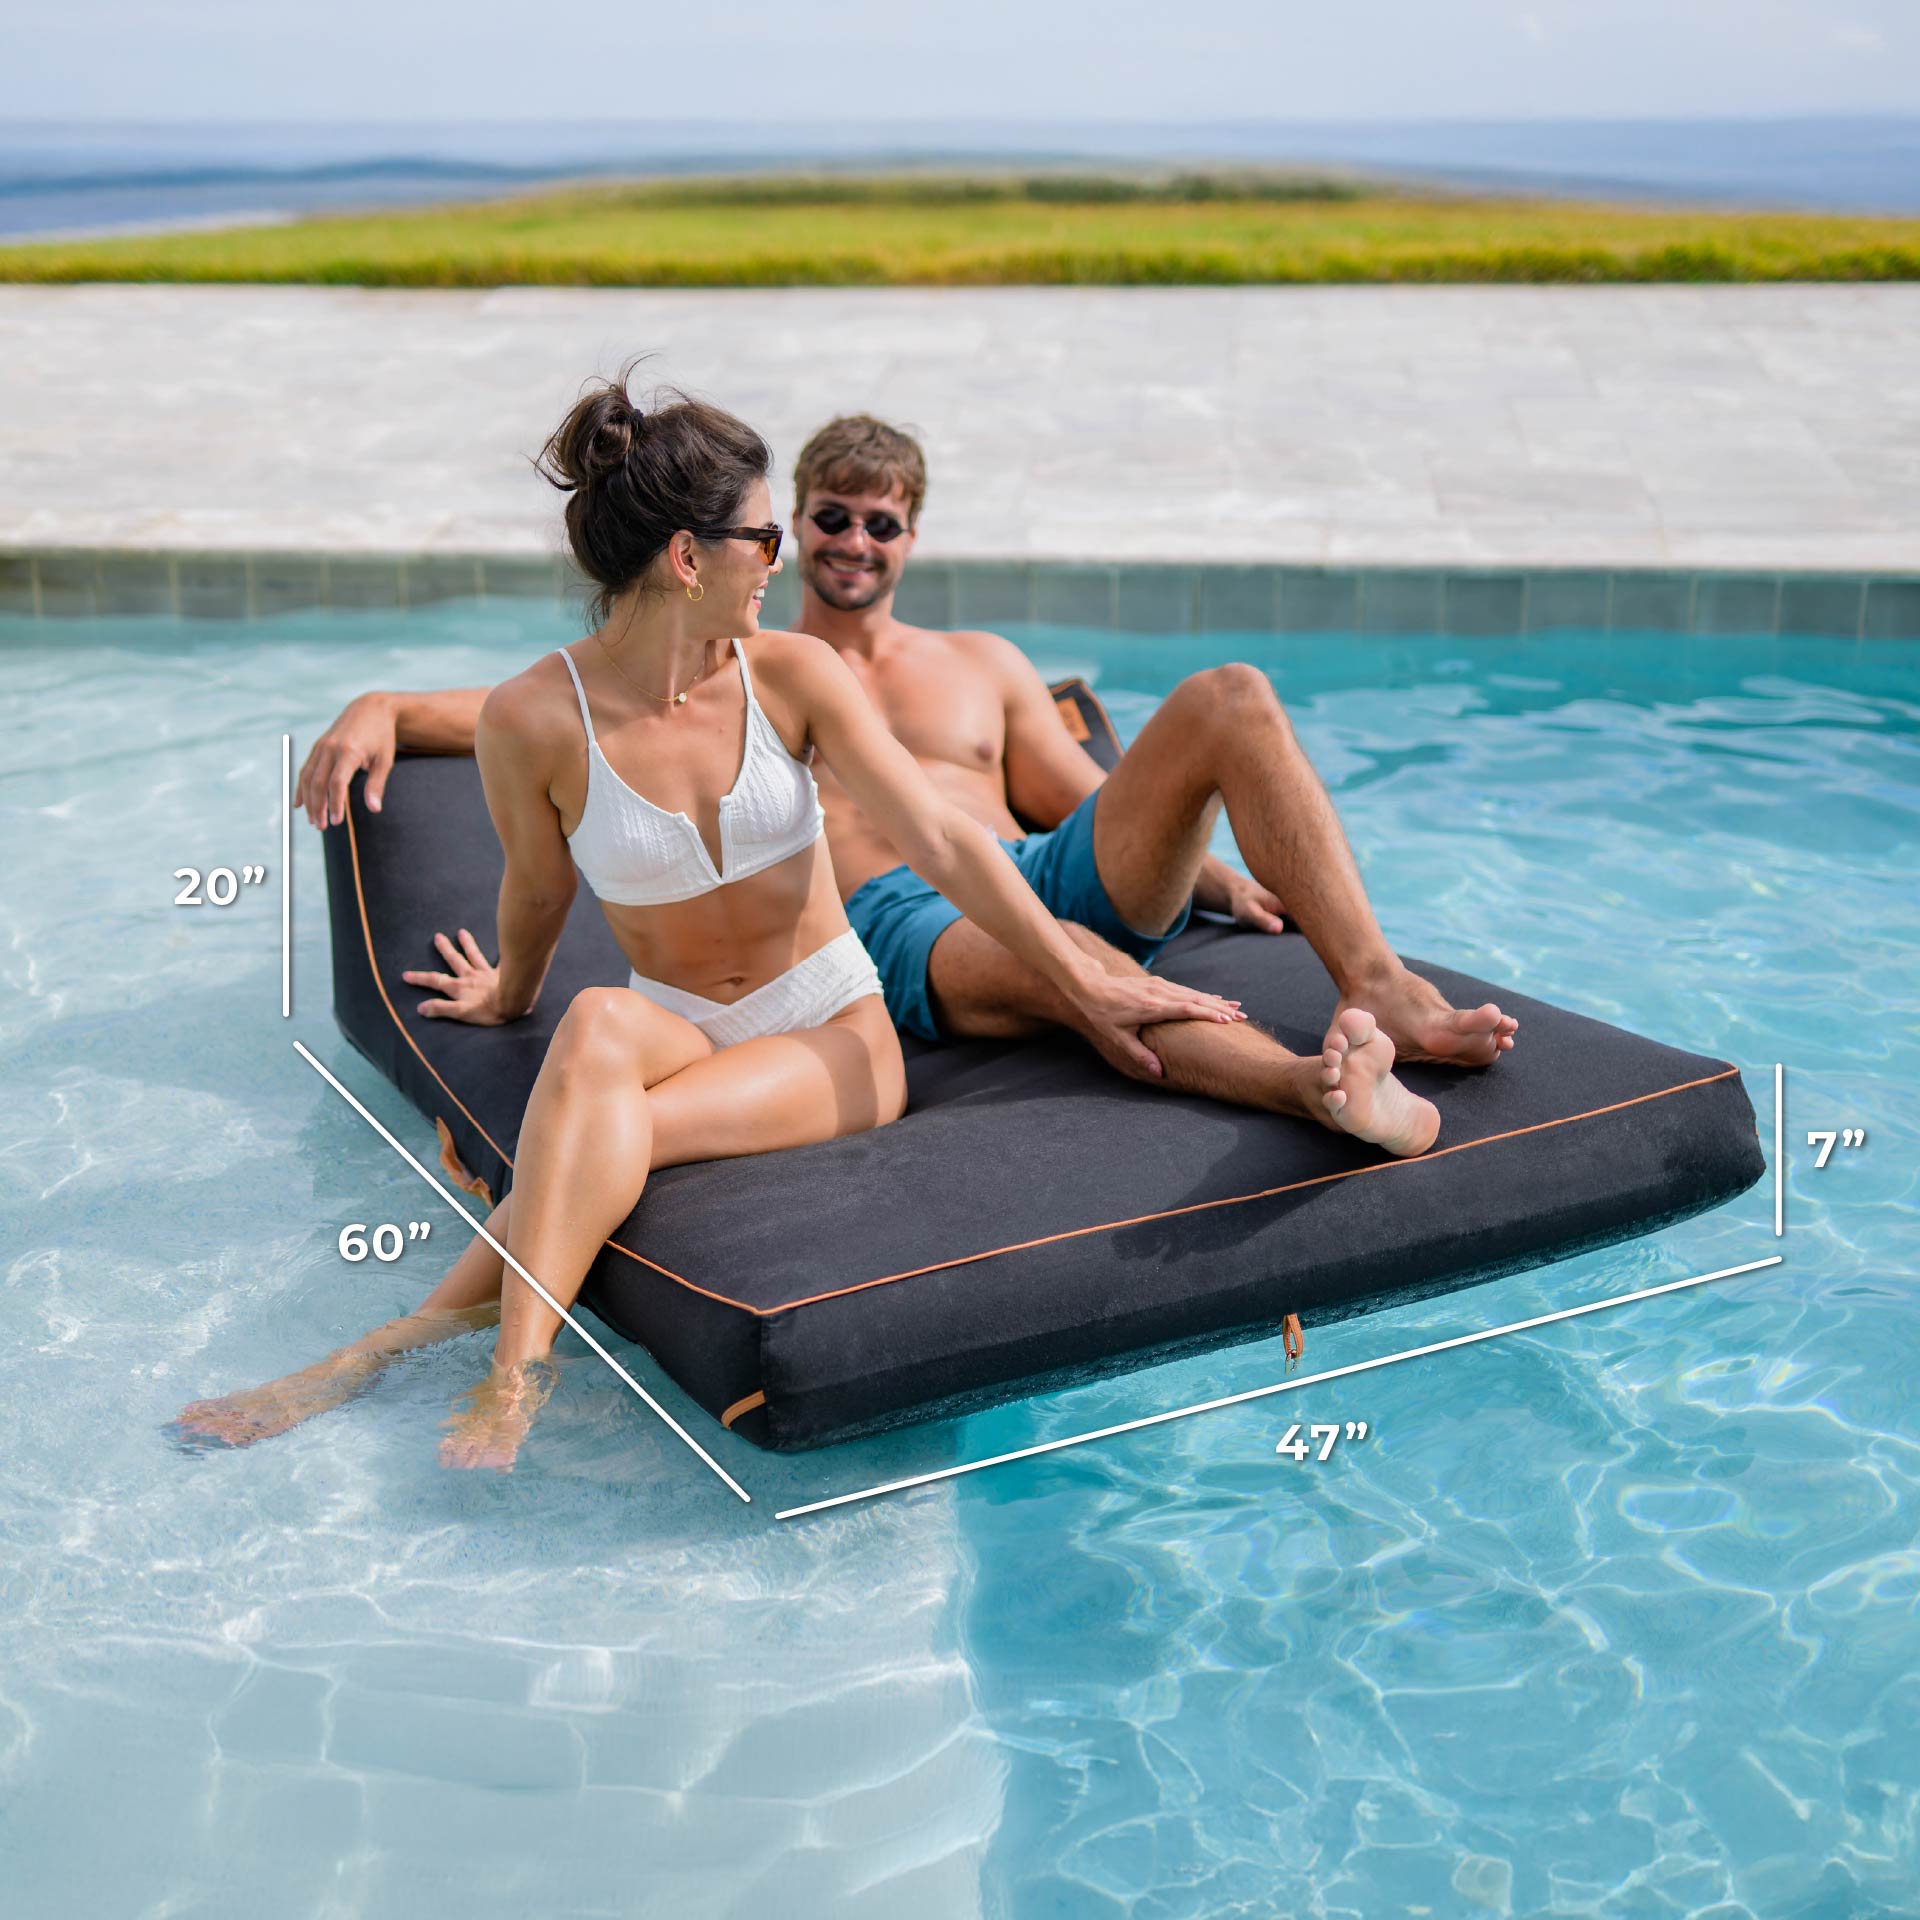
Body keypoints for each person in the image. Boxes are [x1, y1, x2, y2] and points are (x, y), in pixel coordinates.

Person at [170, 377, 1254, 1472]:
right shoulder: (533, 718)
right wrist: (507, 991)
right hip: (678, 1017)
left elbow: (941, 837)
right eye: (767, 535)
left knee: (591, 1138)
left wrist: (1084, 977)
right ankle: (450, 1361)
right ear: (689, 558)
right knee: (593, 1021)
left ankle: (465, 1369)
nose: (780, 561)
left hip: (831, 1031)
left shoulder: (793, 673)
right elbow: (537, 894)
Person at [300, 412, 1516, 1129]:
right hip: (904, 917)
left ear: (912, 538)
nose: (845, 544)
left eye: (880, 524)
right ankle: (1322, 1088)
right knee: (1070, 967)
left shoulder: (978, 663)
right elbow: (574, 707)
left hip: (1036, 870)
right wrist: (387, 705)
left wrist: (1205, 877)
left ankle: (1383, 985)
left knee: (1232, 698)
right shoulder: (750, 656)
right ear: (782, 534)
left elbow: (1075, 798)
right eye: (821, 519)